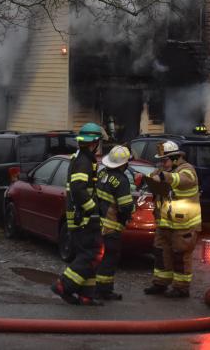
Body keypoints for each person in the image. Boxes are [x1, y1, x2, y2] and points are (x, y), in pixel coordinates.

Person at [51, 122, 105, 306]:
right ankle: (63, 285)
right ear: (94, 143)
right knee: (92, 255)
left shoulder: (81, 158)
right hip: (84, 218)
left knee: (88, 255)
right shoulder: (84, 161)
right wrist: (92, 209)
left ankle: (86, 295)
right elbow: (78, 189)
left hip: (79, 216)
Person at [139, 140, 201, 298]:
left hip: (184, 225)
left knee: (180, 255)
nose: (162, 163)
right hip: (165, 223)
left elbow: (182, 180)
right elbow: (153, 177)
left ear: (175, 158)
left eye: (164, 160)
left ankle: (181, 288)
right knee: (161, 253)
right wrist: (144, 177)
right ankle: (160, 283)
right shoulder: (163, 169)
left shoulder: (187, 170)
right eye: (160, 161)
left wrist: (162, 176)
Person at [95, 145, 134, 300]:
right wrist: (131, 209)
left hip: (97, 223)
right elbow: (125, 206)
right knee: (110, 258)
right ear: (124, 164)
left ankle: (96, 287)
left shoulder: (102, 173)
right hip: (111, 227)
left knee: (99, 257)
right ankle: (104, 290)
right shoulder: (121, 180)